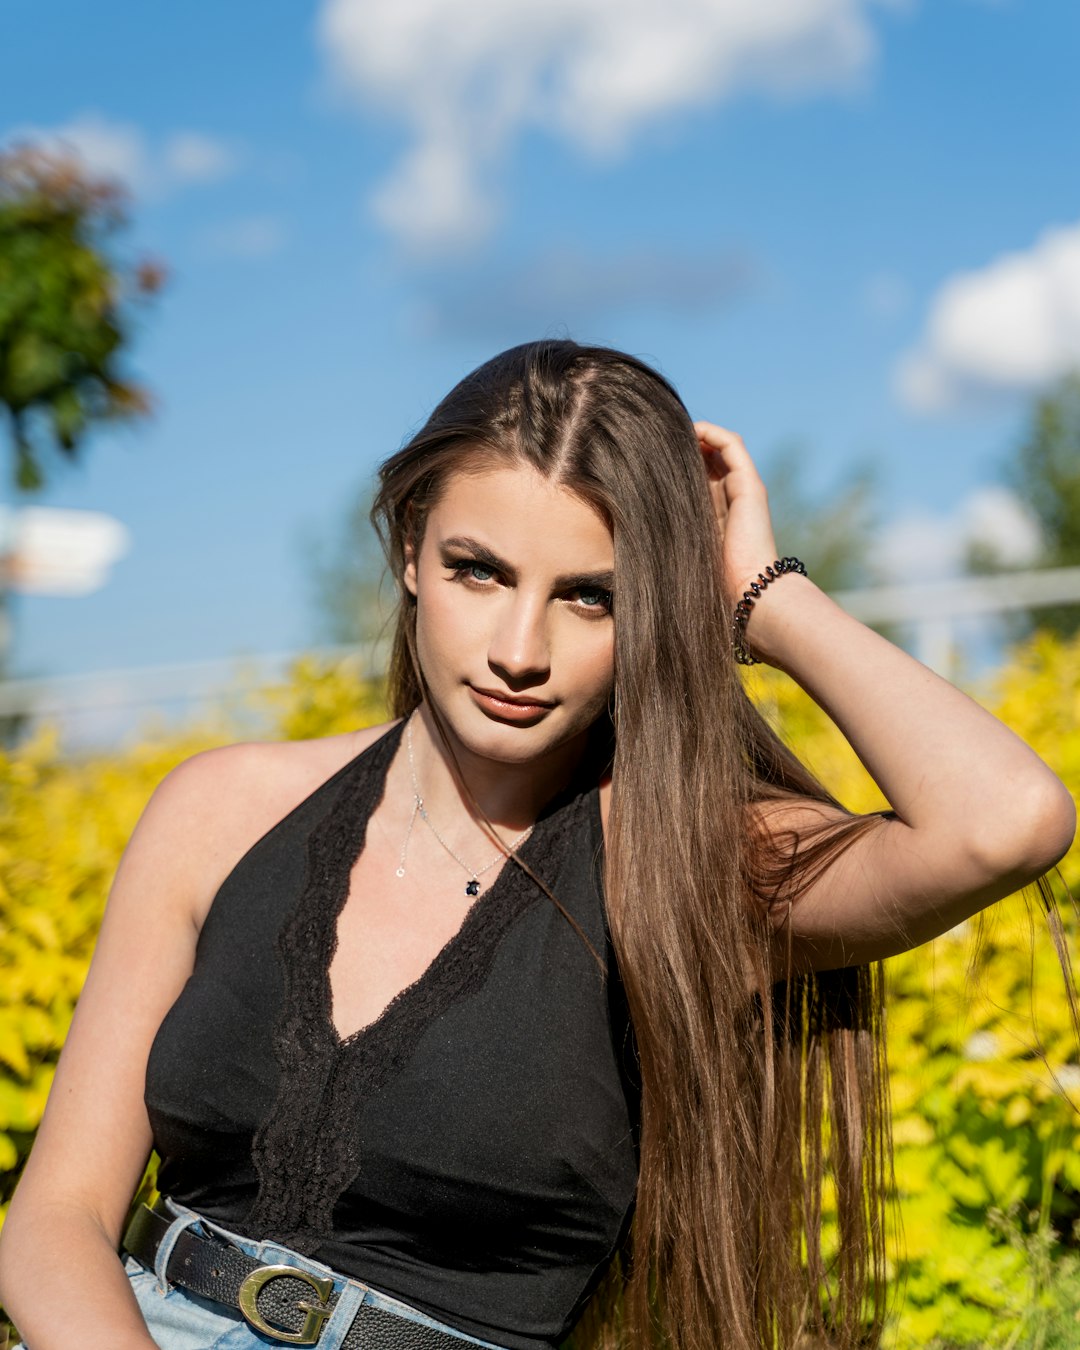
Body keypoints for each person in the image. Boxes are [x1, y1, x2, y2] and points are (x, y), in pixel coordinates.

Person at [0, 339, 1074, 1350]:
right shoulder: (219, 809)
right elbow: (55, 1219)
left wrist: (762, 600)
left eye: (591, 597)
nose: (521, 650)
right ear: (410, 544)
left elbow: (1005, 823)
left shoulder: (688, 862)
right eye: (479, 570)